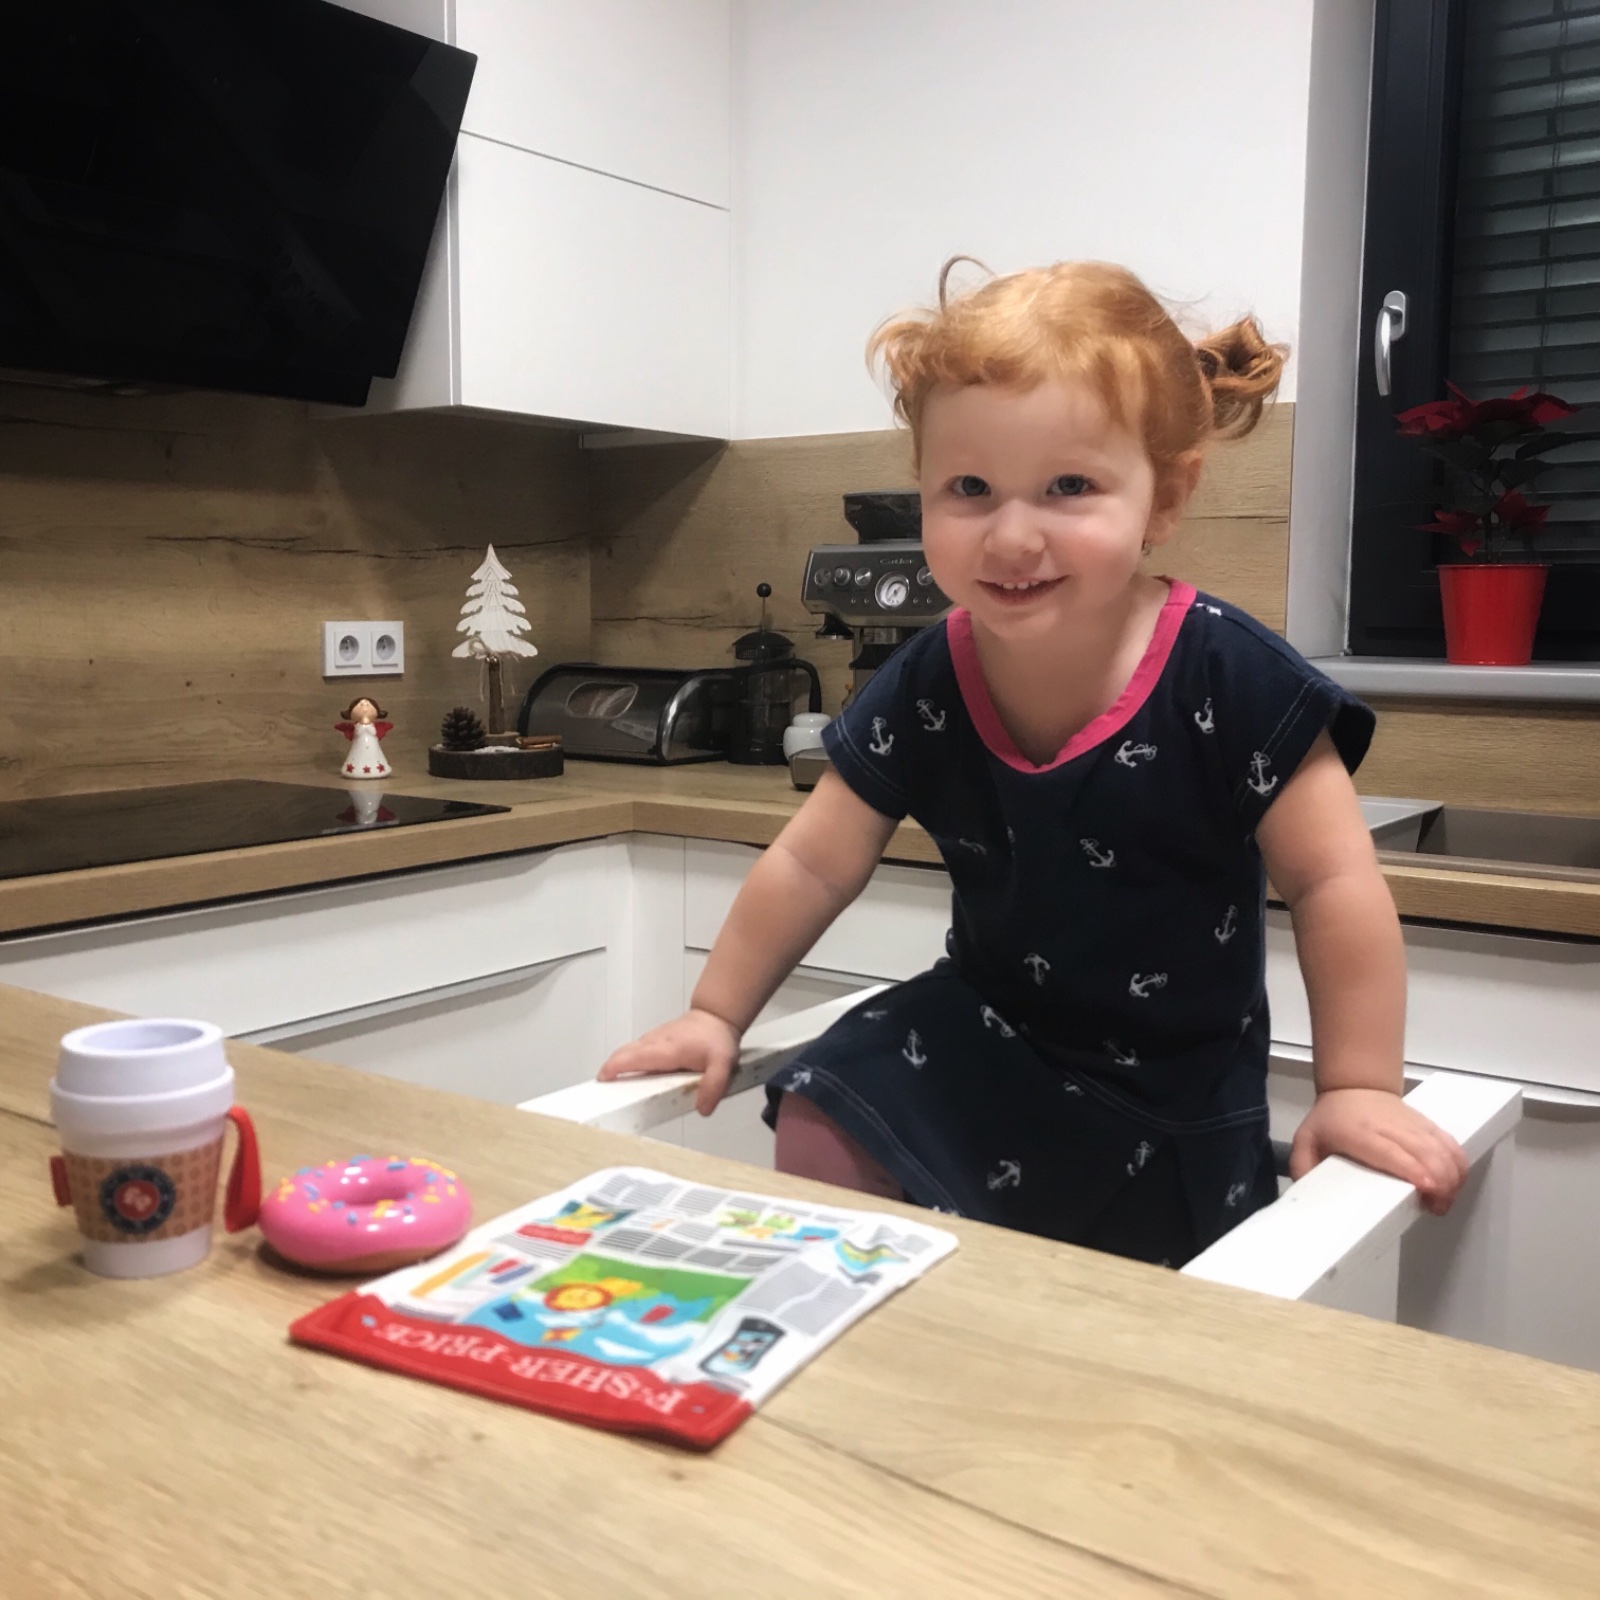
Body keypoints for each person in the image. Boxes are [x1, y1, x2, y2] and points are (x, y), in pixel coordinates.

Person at [597, 259, 1468, 1266]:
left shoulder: (1232, 674)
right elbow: (811, 860)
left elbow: (1333, 883)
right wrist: (715, 1013)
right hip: (984, 1035)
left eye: (1069, 487)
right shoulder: (931, 672)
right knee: (825, 1111)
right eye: (969, 488)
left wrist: (1355, 1085)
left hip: (1172, 1088)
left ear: (1166, 497)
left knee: (1128, 1310)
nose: (1012, 536)